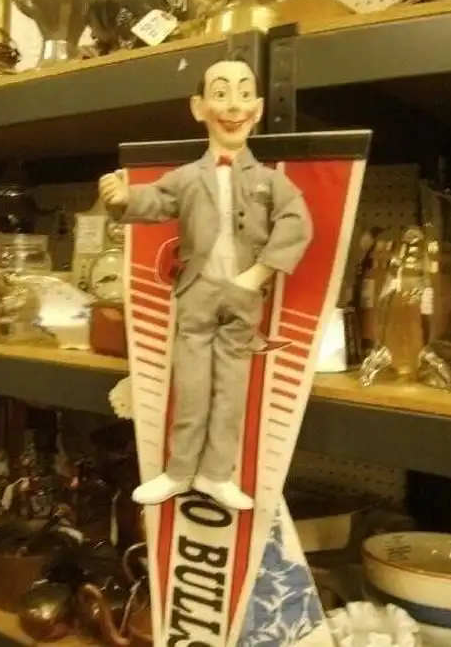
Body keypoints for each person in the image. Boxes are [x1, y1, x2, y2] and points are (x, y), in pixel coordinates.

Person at [99, 55, 312, 511]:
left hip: (243, 295)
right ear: (198, 107)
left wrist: (256, 275)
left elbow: (297, 223)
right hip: (197, 292)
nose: (233, 105)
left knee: (231, 389)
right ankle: (179, 471)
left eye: (243, 93)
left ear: (257, 107)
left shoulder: (270, 181)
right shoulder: (187, 178)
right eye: (220, 93)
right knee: (191, 386)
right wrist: (122, 199)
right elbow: (154, 200)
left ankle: (217, 474)